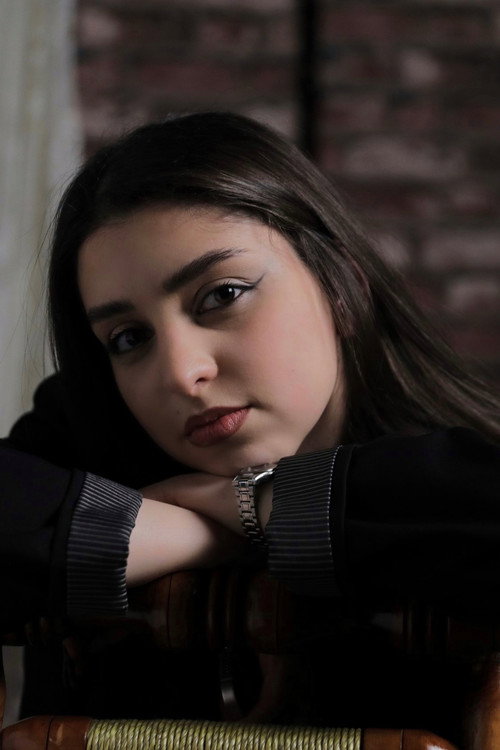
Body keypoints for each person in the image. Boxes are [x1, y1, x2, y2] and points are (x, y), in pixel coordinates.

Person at [2, 112, 500, 723]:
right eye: (129, 337)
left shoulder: (464, 471)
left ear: (342, 287)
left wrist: (255, 503)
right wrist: (201, 534)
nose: (182, 373)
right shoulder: (87, 439)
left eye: (223, 295)